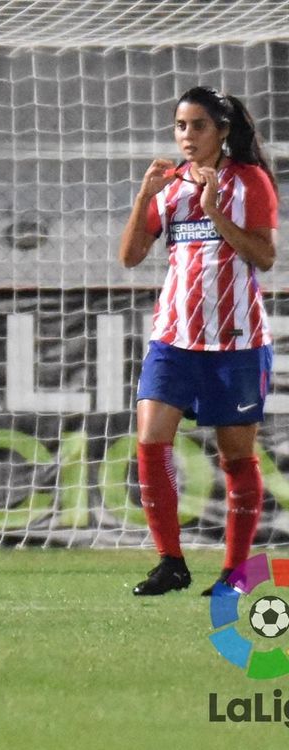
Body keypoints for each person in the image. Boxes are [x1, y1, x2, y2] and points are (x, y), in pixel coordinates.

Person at [119, 86, 278, 596]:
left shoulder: (249, 180)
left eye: (199, 126)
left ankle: (235, 574)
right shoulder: (170, 186)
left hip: (236, 341)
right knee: (150, 441)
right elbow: (130, 257)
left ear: (223, 131)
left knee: (235, 458)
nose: (187, 136)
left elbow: (264, 256)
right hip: (173, 338)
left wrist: (214, 211)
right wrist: (144, 196)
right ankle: (171, 562)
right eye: (180, 126)